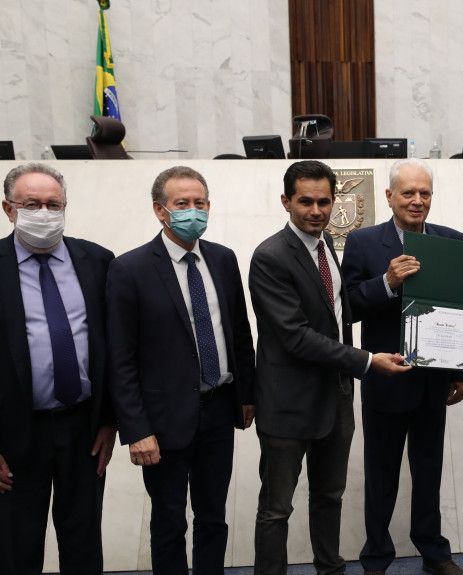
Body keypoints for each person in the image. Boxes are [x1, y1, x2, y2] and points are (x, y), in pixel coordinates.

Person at [250, 160, 410, 575]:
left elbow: (338, 313)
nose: (316, 210)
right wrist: (367, 361)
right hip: (288, 404)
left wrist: (387, 285)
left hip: (335, 397)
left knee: (329, 496)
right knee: (276, 508)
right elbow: (295, 335)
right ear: (286, 201)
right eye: (306, 201)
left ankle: (330, 570)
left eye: (324, 201)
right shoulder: (269, 257)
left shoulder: (326, 249)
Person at [106, 166, 256, 574]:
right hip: (162, 419)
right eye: (182, 204)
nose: (194, 211)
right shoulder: (129, 269)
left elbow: (239, 334)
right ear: (160, 210)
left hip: (220, 409)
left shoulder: (223, 260)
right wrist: (136, 429)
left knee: (213, 516)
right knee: (169, 519)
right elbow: (120, 359)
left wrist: (246, 395)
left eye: (200, 203)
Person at [341, 158, 463, 575]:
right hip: (386, 379)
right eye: (409, 193)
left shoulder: (451, 240)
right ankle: (376, 556)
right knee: (381, 477)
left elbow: (457, 309)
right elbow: (348, 309)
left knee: (429, 472)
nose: (417, 201)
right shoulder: (362, 242)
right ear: (389, 196)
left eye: (425, 193)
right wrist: (387, 283)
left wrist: (460, 372)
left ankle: (433, 550)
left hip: (436, 380)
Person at [0, 163, 116, 575]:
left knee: (83, 543)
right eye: (32, 204)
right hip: (14, 433)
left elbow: (115, 351)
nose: (44, 213)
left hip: (84, 429)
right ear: (9, 209)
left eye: (54, 204)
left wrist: (109, 423)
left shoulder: (98, 261)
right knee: (16, 547)